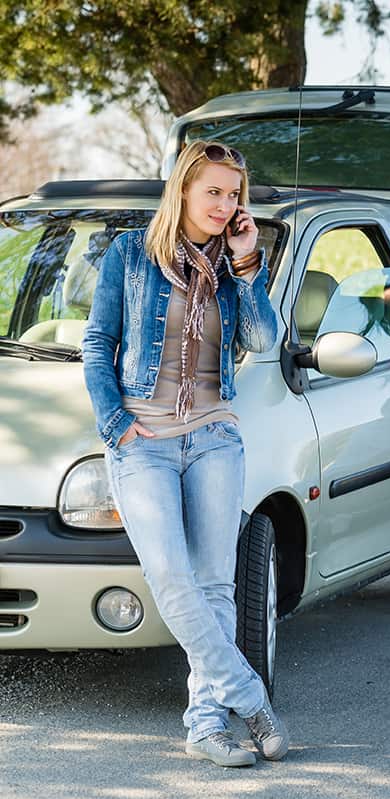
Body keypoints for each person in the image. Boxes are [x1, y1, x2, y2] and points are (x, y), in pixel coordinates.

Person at [81, 141, 288, 768]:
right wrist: (115, 424)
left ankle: (205, 724)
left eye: (235, 195)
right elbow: (98, 343)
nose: (227, 206)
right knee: (170, 577)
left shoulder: (235, 266)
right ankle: (249, 697)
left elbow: (262, 340)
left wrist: (251, 266)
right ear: (184, 192)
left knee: (214, 584)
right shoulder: (129, 255)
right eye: (215, 192)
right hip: (142, 439)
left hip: (214, 437)